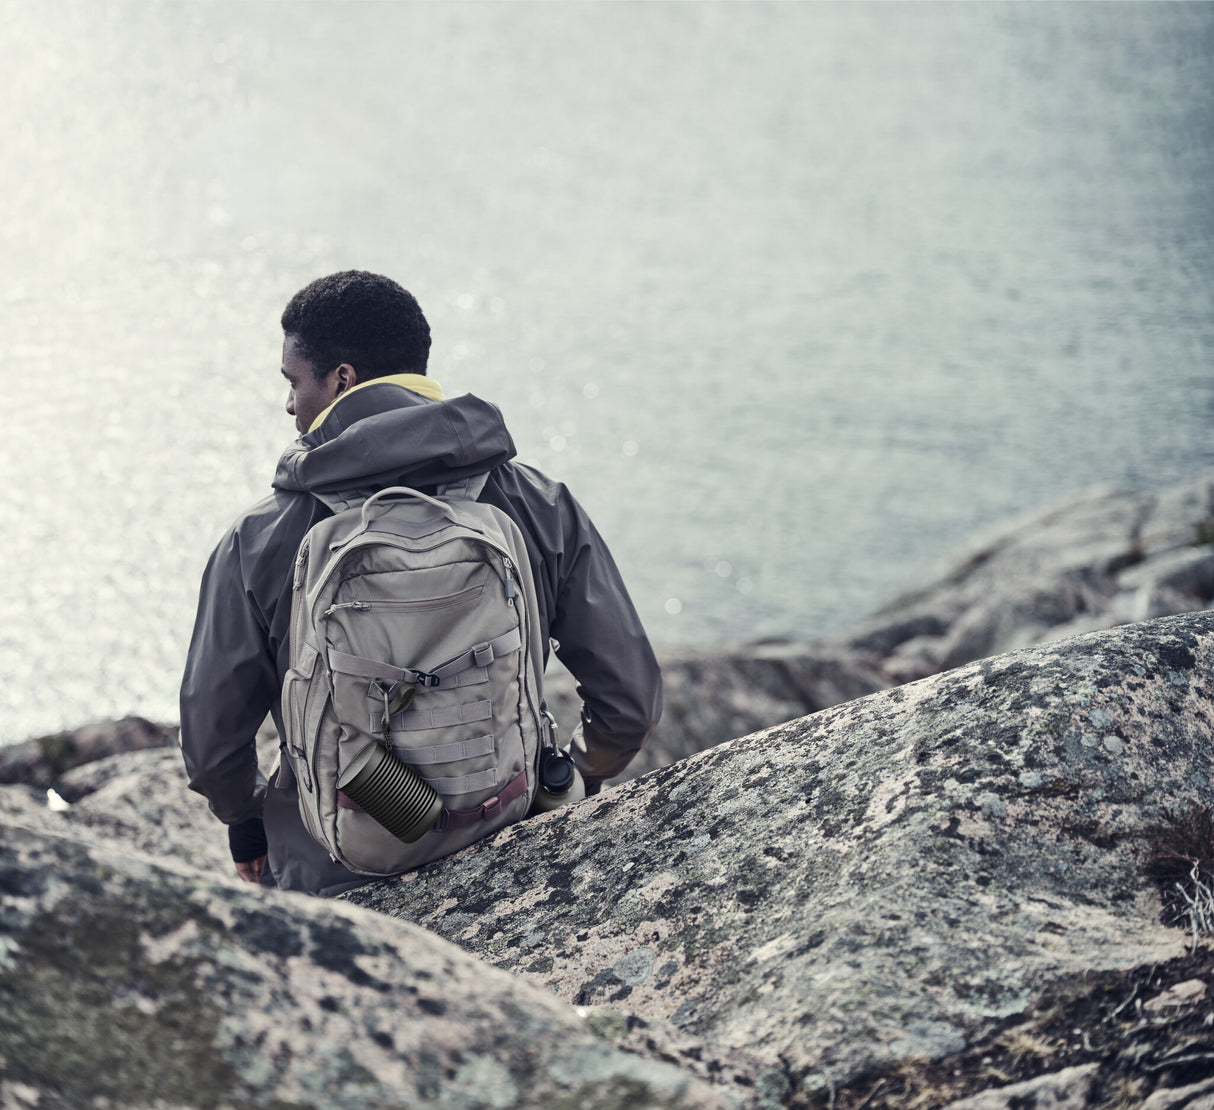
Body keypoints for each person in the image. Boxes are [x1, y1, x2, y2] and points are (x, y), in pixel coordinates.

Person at [179, 271, 662, 896]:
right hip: (510, 831)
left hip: (332, 869)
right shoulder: (538, 502)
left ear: (342, 380)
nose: (289, 405)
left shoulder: (259, 537)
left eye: (293, 382)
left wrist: (246, 821)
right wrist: (571, 774)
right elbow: (632, 702)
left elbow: (212, 744)